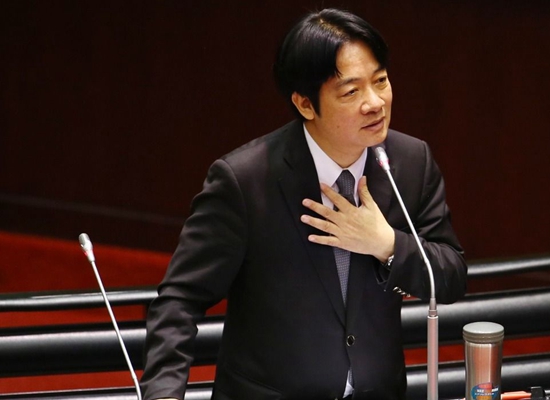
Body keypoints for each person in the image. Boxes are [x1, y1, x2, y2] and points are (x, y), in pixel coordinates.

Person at [141, 8, 467, 400]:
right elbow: (179, 300)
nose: (375, 102)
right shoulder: (245, 181)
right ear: (305, 104)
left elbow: (451, 276)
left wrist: (387, 244)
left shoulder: (410, 162)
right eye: (351, 92)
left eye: (380, 81)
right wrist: (164, 394)